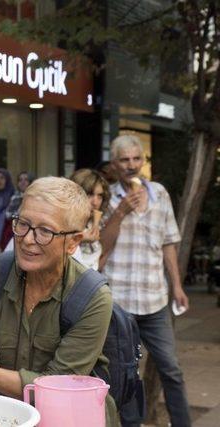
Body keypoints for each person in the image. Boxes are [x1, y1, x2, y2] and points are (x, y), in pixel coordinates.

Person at [0, 177, 118, 426]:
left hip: (67, 417)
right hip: (4, 414)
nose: (27, 239)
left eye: (45, 231)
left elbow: (56, 388)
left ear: (73, 242)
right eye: (23, 223)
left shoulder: (91, 298)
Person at [100, 134, 191, 426]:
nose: (131, 165)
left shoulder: (160, 194)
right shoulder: (106, 198)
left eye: (136, 159)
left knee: (171, 369)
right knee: (125, 373)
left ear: (143, 161)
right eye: (124, 160)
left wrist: (176, 285)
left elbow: (168, 243)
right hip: (119, 303)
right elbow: (100, 248)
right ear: (114, 164)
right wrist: (120, 212)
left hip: (155, 301)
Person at [70, 168, 111, 271]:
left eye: (100, 196)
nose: (95, 202)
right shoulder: (64, 220)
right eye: (90, 194)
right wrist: (80, 238)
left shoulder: (99, 223)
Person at [0, 170, 35, 251]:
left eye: (26, 180)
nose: (22, 182)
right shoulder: (14, 197)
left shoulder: (35, 198)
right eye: (20, 180)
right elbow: (8, 215)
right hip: (11, 233)